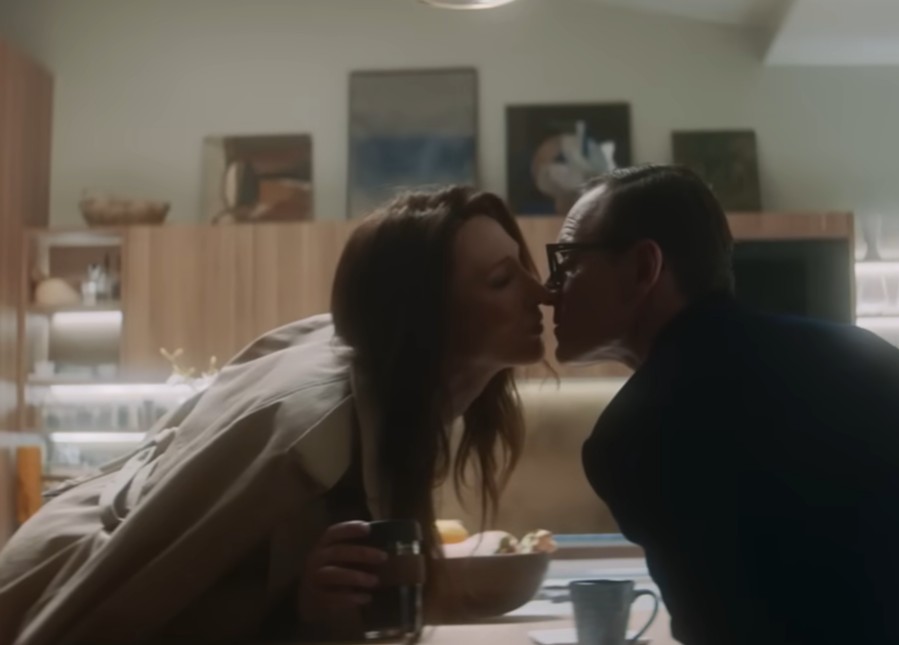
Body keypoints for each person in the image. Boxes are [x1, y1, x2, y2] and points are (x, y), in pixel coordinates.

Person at [0, 186, 552, 644]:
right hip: (54, 583)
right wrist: (298, 609)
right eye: (502, 281)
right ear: (423, 318)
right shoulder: (312, 436)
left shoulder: (388, 382)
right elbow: (130, 595)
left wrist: (302, 605)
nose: (542, 292)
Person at [547, 164, 899, 644]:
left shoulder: (635, 434)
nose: (550, 289)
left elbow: (724, 630)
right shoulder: (856, 352)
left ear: (643, 268)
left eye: (567, 261)